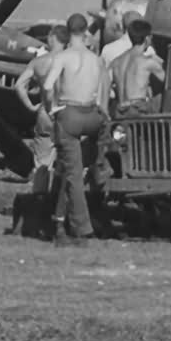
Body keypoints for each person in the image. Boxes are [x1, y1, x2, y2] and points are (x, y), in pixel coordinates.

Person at [41, 13, 110, 246]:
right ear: (86, 31)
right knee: (74, 170)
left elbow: (48, 86)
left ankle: (82, 228)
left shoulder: (63, 57)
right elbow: (103, 92)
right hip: (93, 116)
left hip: (70, 114)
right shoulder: (96, 59)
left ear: (68, 31)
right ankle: (61, 219)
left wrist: (51, 108)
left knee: (73, 174)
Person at [15, 25, 69, 193]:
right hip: (68, 114)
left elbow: (19, 86)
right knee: (70, 161)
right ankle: (63, 200)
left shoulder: (38, 62)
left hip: (45, 113)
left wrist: (31, 106)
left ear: (52, 38)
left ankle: (39, 200)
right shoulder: (73, 60)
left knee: (41, 165)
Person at [110, 19, 165, 116]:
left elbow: (106, 84)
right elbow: (168, 82)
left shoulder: (116, 62)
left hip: (120, 110)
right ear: (147, 38)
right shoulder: (148, 62)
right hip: (138, 110)